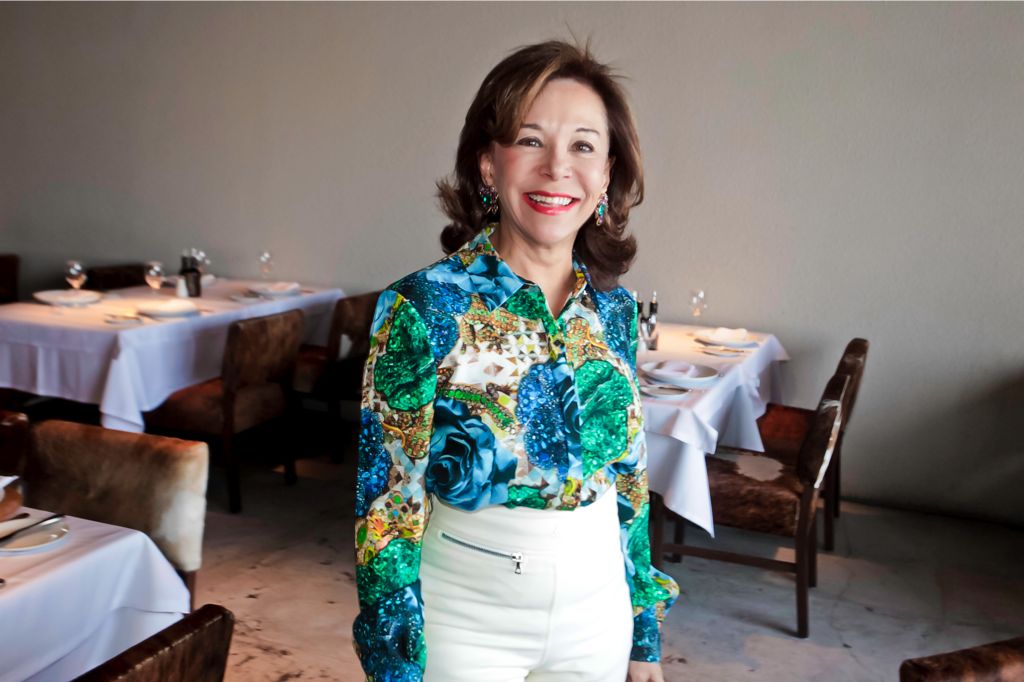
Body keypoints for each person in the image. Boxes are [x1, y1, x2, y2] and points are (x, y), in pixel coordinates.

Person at [353, 40, 679, 682]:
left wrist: (644, 632)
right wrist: (395, 665)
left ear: (606, 175)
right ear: (487, 164)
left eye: (583, 146)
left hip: (597, 613)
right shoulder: (422, 307)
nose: (557, 168)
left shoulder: (614, 310)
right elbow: (387, 505)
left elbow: (630, 477)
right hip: (464, 617)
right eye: (531, 140)